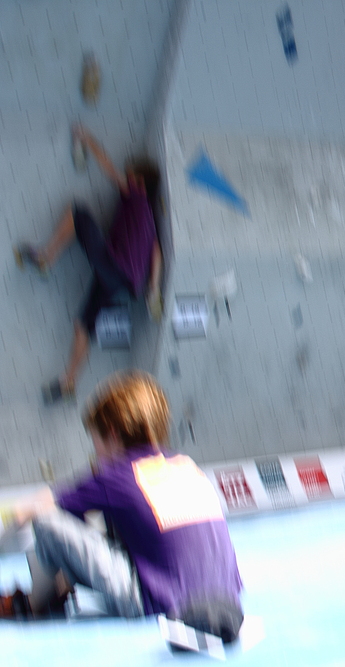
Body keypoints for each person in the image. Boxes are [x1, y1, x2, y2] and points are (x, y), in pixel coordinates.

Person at [0, 371, 243, 643]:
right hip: (226, 597)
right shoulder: (184, 464)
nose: (96, 453)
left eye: (95, 440)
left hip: (158, 603)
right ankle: (57, 589)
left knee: (47, 520)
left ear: (112, 435)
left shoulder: (118, 474)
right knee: (110, 522)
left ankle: (32, 604)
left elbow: (34, 508)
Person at [14, 124, 163, 405]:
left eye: (131, 174)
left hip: (113, 264)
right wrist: (153, 290)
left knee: (78, 212)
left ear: (140, 181)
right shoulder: (151, 219)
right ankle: (68, 382)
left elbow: (108, 169)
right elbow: (156, 253)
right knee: (84, 323)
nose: (127, 176)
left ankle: (46, 257)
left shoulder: (137, 194)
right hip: (123, 282)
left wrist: (88, 139)